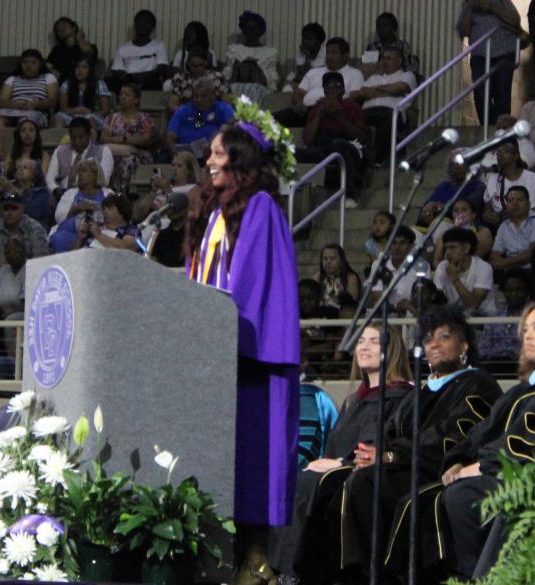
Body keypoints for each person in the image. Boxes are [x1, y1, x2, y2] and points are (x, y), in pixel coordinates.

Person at [184, 115, 300, 584]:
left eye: (218, 153)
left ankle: (255, 563)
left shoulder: (261, 210)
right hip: (216, 359)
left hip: (249, 361)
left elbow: (253, 289)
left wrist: (220, 336)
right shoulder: (214, 214)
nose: (209, 161)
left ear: (241, 161)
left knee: (253, 459)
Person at [334, 306, 502, 584]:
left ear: (464, 345)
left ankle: (385, 575)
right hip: (404, 465)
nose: (434, 344)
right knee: (349, 480)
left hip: (436, 469)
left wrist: (391, 455)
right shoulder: (422, 390)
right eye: (428, 339)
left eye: (444, 337)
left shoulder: (478, 384)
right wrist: (366, 455)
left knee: (368, 485)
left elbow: (454, 434)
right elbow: (388, 430)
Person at [432, 302, 535, 580]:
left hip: (529, 476)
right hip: (494, 471)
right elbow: (480, 432)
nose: (527, 335)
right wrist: (458, 458)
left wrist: (482, 467)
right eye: (525, 329)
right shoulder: (521, 390)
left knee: (461, 496)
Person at [266, 322, 412, 584]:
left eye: (374, 341)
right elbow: (334, 445)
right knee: (295, 479)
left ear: (392, 350)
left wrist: (340, 462)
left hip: (369, 475)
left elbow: (376, 445)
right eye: (360, 341)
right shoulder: (354, 401)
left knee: (310, 483)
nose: (364, 346)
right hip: (340, 468)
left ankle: (295, 574)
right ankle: (281, 570)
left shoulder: (402, 396)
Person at [457, 0, 522, 126]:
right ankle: (487, 127)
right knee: (480, 93)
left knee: (502, 92)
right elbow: (463, 30)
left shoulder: (502, 0)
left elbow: (515, 20)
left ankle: (501, 128)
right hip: (480, 54)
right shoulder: (469, 4)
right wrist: (470, 9)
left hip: (504, 52)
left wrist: (493, 8)